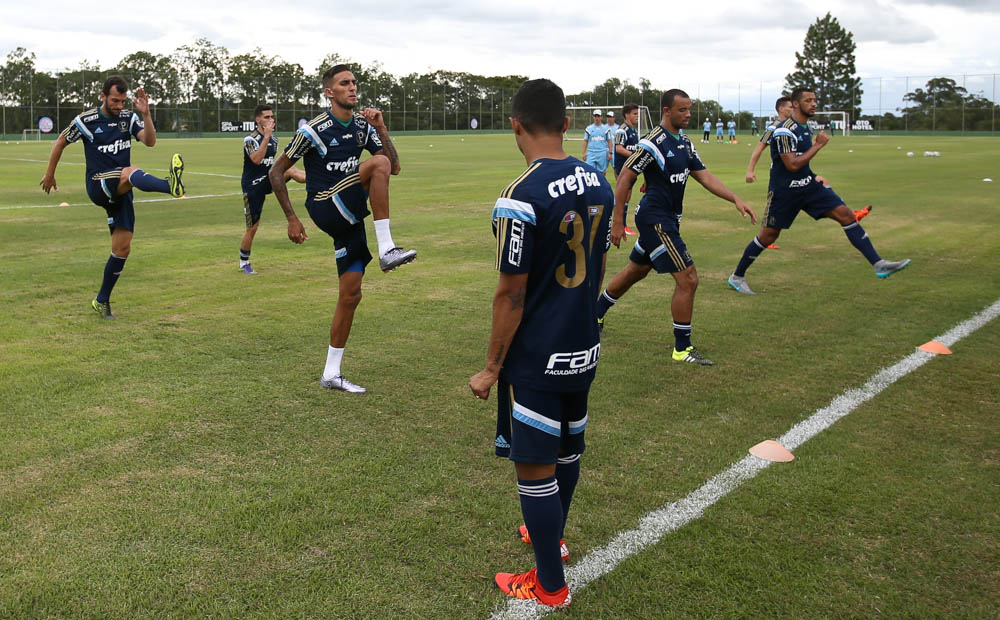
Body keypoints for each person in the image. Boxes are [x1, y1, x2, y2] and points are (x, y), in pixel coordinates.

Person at [469, 78, 612, 609]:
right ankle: (551, 536)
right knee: (568, 449)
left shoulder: (519, 196)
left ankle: (549, 586)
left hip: (537, 354)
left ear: (515, 125)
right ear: (568, 124)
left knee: (533, 464)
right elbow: (598, 260)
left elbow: (510, 293)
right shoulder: (597, 180)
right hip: (584, 343)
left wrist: (489, 367)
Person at [268, 64, 417, 393]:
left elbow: (394, 167)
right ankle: (387, 247)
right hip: (324, 204)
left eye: (354, 83)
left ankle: (331, 374)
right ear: (328, 92)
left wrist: (382, 127)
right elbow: (277, 172)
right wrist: (292, 218)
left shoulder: (363, 126)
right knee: (375, 163)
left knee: (351, 295)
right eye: (344, 83)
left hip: (348, 216)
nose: (352, 88)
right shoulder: (315, 130)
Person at [596, 89, 756, 365]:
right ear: (667, 111)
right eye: (682, 110)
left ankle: (594, 315)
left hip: (668, 219)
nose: (688, 114)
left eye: (689, 109)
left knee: (636, 270)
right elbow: (625, 178)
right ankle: (682, 349)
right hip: (655, 220)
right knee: (688, 278)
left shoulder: (683, 143)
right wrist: (617, 222)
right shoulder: (653, 143)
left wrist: (735, 198)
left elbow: (704, 176)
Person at [727, 88, 909, 295]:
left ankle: (878, 264)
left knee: (847, 215)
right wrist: (818, 146)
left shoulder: (806, 127)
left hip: (809, 187)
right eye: (808, 100)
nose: (814, 104)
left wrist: (813, 176)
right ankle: (737, 276)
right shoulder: (783, 130)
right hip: (785, 193)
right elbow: (792, 165)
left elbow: (801, 166)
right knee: (768, 236)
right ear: (795, 104)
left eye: (815, 100)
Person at [40, 75, 184, 320]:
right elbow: (60, 142)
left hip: (122, 189)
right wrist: (50, 173)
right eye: (115, 101)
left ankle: (101, 300)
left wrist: (146, 114)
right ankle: (169, 185)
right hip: (98, 183)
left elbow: (150, 141)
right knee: (130, 171)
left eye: (122, 101)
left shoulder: (128, 118)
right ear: (103, 95)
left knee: (122, 248)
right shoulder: (86, 121)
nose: (119, 106)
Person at [238, 104, 306, 274]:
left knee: (291, 170)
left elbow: (274, 165)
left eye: (271, 117)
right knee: (252, 228)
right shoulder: (250, 139)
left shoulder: (274, 140)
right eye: (266, 117)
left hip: (268, 181)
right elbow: (256, 159)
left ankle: (322, 180)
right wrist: (266, 137)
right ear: (258, 120)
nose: (270, 120)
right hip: (252, 186)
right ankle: (244, 262)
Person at [746, 97, 792, 184]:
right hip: (780, 172)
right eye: (790, 107)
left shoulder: (794, 126)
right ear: (781, 109)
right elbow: (759, 147)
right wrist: (750, 170)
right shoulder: (773, 127)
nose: (794, 110)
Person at [612, 104, 640, 236]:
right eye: (635, 114)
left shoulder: (633, 130)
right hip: (622, 168)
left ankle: (623, 224)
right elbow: (618, 148)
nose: (637, 116)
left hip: (631, 167)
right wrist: (635, 156)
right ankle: (619, 224)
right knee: (622, 196)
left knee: (627, 196)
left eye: (637, 114)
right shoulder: (621, 130)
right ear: (627, 115)